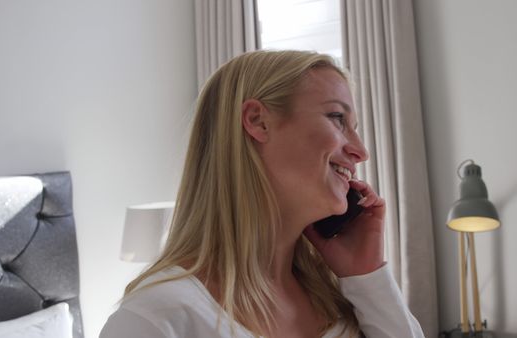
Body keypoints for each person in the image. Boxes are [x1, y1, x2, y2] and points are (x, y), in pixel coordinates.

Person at [100, 50, 424, 338]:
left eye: (355, 127)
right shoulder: (156, 319)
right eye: (337, 118)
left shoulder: (340, 297)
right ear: (258, 121)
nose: (361, 151)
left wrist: (366, 274)